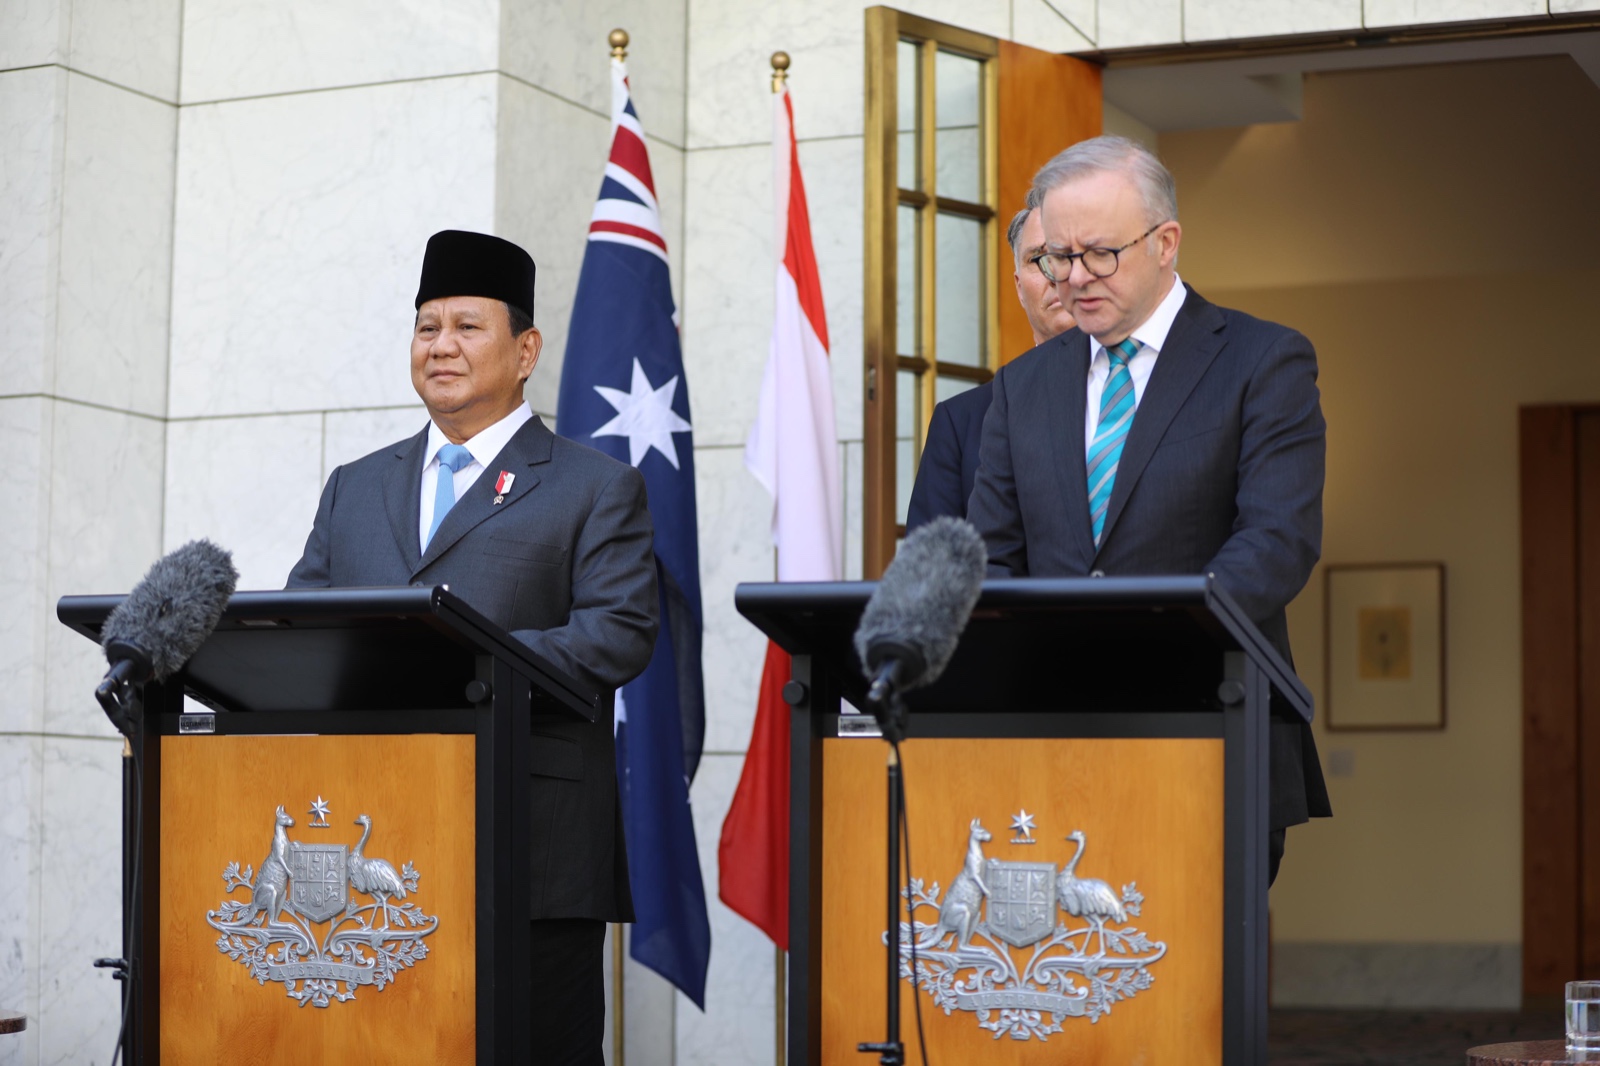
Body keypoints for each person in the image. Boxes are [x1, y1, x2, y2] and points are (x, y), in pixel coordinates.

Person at [287, 229, 657, 1062]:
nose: (441, 346)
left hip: (528, 845)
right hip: (370, 834)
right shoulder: (356, 484)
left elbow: (619, 632)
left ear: (525, 351)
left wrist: (464, 662)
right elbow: (300, 624)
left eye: (466, 327)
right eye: (426, 328)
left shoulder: (594, 486)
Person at [965, 136, 1331, 884]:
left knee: (1192, 997)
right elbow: (990, 558)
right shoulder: (1021, 388)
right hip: (1051, 748)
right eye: (1057, 257)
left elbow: (1276, 542)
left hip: (1213, 733)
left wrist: (1143, 643)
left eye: (1100, 254)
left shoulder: (1264, 362)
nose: (1073, 278)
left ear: (1166, 244)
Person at [905, 201, 1075, 530]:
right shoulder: (961, 423)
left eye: (1067, 255)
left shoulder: (1144, 391)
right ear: (1019, 288)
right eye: (1037, 258)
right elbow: (931, 573)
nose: (1055, 274)